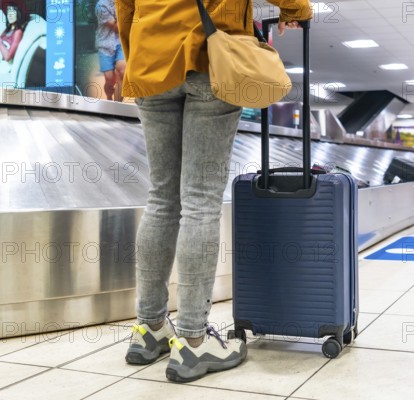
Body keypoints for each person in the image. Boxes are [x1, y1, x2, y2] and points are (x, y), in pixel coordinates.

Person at [116, 0, 313, 383]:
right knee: (200, 202)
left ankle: (149, 330)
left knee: (160, 200)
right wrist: (299, 10)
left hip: (151, 64)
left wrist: (140, 57)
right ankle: (192, 339)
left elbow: (125, 8)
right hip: (209, 58)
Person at [95, 0, 125, 101]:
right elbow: (116, 27)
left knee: (122, 72)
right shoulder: (101, 6)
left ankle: (117, 108)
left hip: (121, 42)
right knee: (110, 80)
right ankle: (109, 98)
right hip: (105, 45)